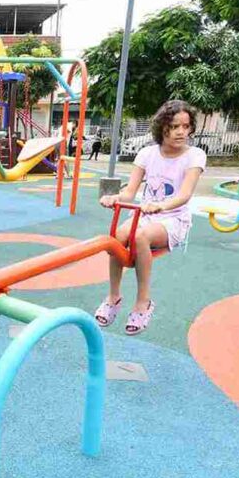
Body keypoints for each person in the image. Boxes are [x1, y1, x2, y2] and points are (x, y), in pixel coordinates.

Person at [95, 100, 206, 335]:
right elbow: (129, 192)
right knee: (117, 236)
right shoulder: (147, 153)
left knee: (140, 237)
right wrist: (115, 198)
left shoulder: (194, 156)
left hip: (173, 218)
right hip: (146, 213)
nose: (181, 132)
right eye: (174, 126)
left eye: (186, 127)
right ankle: (113, 296)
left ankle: (142, 302)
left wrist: (160, 205)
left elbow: (184, 195)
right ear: (161, 127)